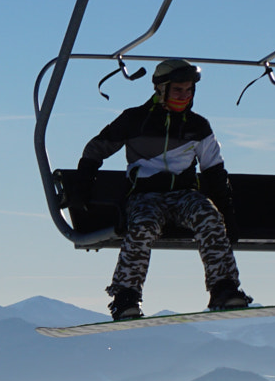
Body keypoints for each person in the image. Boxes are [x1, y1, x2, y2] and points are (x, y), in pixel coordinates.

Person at [72, 58, 252, 320]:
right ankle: (126, 297)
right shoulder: (134, 121)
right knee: (143, 225)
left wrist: (228, 214)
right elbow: (95, 149)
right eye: (178, 90)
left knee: (209, 217)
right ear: (161, 89)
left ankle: (223, 288)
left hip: (184, 196)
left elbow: (213, 169)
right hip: (145, 196)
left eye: (189, 90)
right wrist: (82, 186)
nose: (185, 95)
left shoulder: (197, 126)